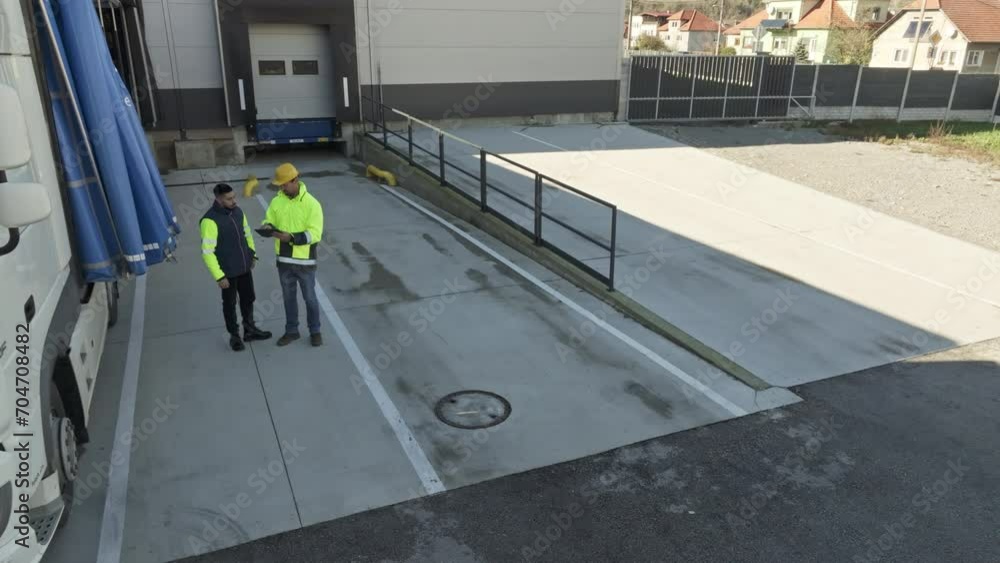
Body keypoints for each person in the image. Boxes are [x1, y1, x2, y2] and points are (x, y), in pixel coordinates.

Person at [200, 183, 272, 350]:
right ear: (218, 199)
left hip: (244, 267)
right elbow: (207, 252)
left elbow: (247, 234)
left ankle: (249, 329)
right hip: (227, 272)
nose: (234, 201)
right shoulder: (209, 221)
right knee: (230, 304)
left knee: (248, 298)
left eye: (234, 197)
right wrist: (219, 276)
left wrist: (252, 254)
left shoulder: (238, 212)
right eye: (229, 199)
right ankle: (234, 336)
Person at [261, 162, 324, 347]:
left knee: (310, 299)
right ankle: (292, 331)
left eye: (285, 184)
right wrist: (267, 226)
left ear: (296, 179)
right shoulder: (276, 201)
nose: (282, 187)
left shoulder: (312, 204)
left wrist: (290, 237)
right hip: (284, 261)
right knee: (288, 298)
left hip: (305, 262)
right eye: (280, 185)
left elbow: (315, 234)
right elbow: (268, 218)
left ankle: (315, 331)